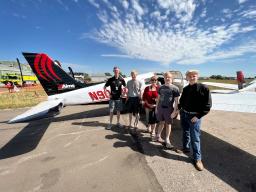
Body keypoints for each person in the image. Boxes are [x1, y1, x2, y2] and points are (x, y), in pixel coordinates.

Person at [178, 70, 212, 171]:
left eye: (194, 76)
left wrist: (198, 116)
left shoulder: (204, 88)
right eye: (190, 76)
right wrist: (177, 110)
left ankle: (197, 159)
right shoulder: (186, 89)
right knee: (185, 132)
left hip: (194, 117)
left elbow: (208, 105)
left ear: (197, 76)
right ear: (187, 77)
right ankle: (185, 148)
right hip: (184, 114)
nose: (192, 77)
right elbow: (182, 101)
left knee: (195, 137)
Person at [153, 72, 180, 149]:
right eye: (166, 77)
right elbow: (158, 98)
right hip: (160, 108)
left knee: (168, 124)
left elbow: (176, 101)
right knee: (161, 122)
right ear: (164, 78)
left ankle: (167, 139)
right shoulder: (161, 87)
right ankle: (158, 136)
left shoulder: (175, 88)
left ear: (172, 79)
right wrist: (156, 108)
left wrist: (175, 111)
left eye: (169, 77)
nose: (167, 78)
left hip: (169, 109)